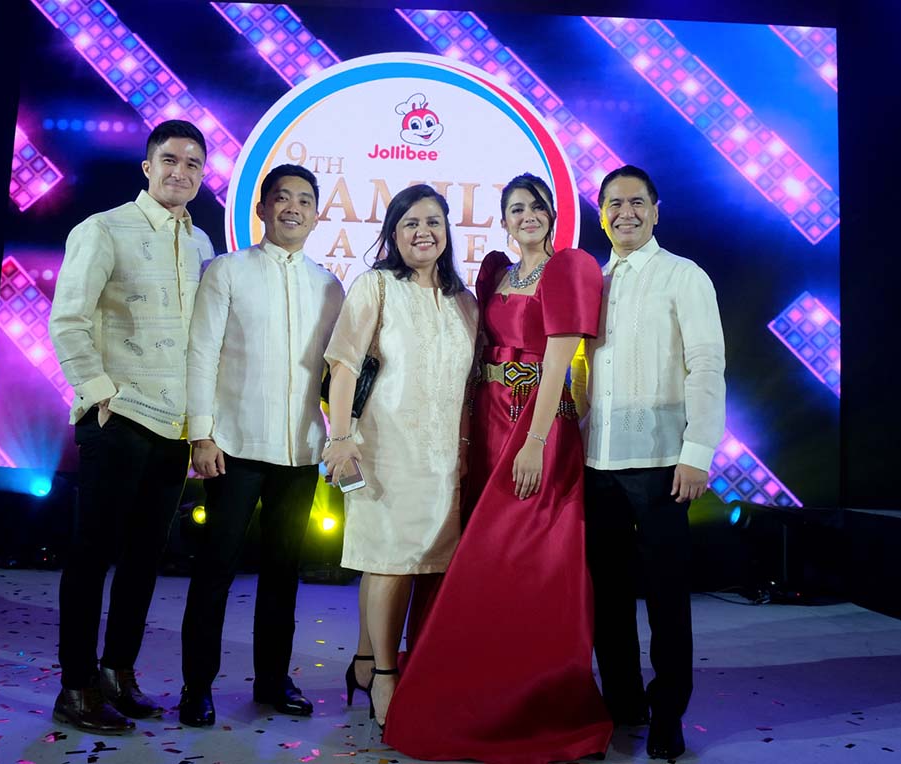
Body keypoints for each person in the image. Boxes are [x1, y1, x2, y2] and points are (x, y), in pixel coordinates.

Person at [383, 173, 613, 763]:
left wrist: (535, 441)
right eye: (516, 209)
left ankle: (529, 691)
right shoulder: (494, 273)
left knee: (525, 554)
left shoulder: (569, 268)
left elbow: (560, 356)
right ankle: (464, 677)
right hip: (487, 424)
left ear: (551, 214)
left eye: (536, 207)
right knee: (475, 554)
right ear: (504, 221)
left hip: (538, 426)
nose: (526, 216)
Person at [48, 120, 214, 733]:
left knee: (145, 559)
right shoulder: (103, 228)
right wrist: (100, 395)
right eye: (170, 160)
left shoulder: (201, 245)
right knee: (93, 557)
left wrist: (200, 425)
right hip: (118, 417)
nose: (181, 172)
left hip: (171, 426)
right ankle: (77, 684)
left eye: (193, 164)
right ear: (147, 166)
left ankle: (118, 671)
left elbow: (202, 343)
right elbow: (67, 320)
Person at [177, 164, 343, 726]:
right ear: (263, 209)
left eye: (304, 200)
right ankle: (196, 686)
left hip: (299, 452)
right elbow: (201, 354)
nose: (292, 208)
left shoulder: (329, 284)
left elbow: (335, 373)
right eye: (281, 199)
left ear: (317, 214)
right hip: (233, 445)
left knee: (282, 573)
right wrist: (201, 432)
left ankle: (273, 680)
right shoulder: (226, 271)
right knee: (215, 570)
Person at [322, 184, 478, 730]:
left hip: (444, 459)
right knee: (388, 561)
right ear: (392, 231)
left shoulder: (465, 301)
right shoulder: (376, 286)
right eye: (410, 222)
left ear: (447, 232)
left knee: (426, 566)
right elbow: (343, 365)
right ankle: (384, 675)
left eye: (433, 222)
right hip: (385, 450)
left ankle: (367, 661)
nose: (423, 232)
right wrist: (339, 437)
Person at [583, 165, 726, 760]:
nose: (626, 214)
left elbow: (707, 366)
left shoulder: (683, 276)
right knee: (608, 595)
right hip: (597, 463)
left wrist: (697, 452)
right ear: (601, 215)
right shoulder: (592, 278)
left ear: (656, 210)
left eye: (637, 203)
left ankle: (669, 712)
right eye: (614, 205)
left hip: (665, 463)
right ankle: (622, 702)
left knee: (667, 597)